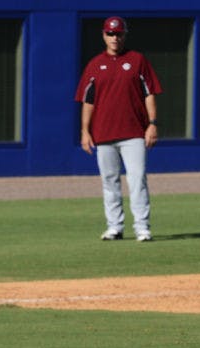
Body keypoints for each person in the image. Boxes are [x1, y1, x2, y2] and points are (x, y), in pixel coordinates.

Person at [75, 16, 162, 242]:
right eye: (110, 34)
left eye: (118, 34)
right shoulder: (95, 64)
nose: (115, 38)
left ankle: (142, 228)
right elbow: (88, 101)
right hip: (103, 134)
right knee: (109, 181)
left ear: (125, 35)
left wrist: (152, 124)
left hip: (134, 132)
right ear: (104, 35)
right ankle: (114, 226)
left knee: (137, 180)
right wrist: (85, 130)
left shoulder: (136, 60)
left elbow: (149, 93)